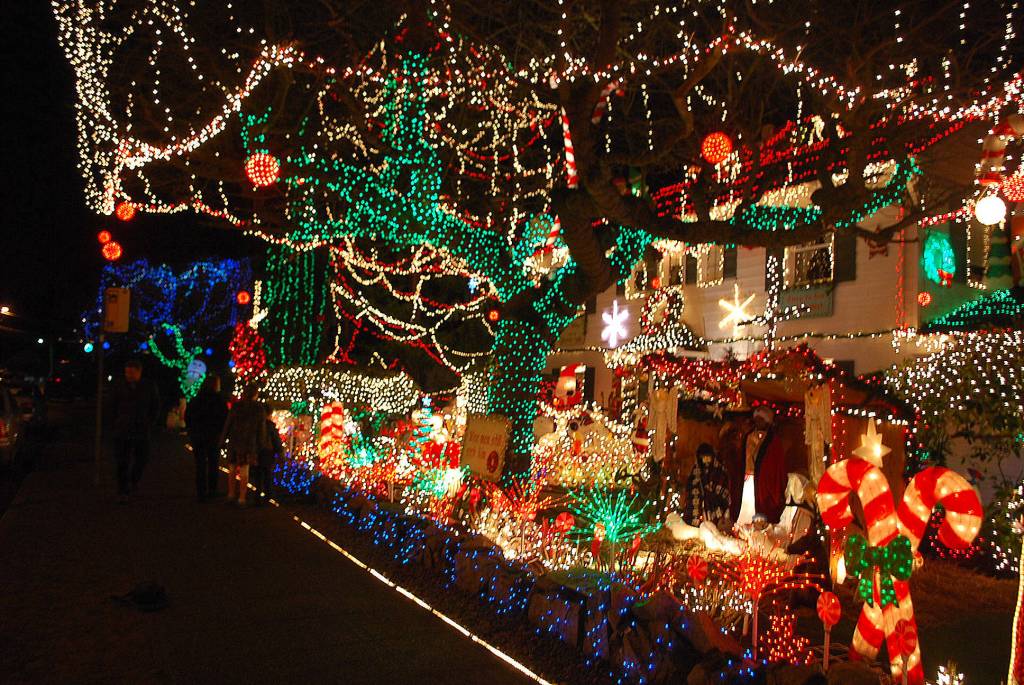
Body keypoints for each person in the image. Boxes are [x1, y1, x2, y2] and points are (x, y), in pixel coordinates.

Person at [109, 359, 160, 503]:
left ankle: (133, 479)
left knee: (142, 458)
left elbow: (155, 406)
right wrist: (115, 422)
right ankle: (123, 488)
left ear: (139, 372)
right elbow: (112, 405)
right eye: (127, 372)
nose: (129, 375)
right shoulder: (119, 386)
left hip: (141, 427)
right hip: (123, 428)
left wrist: (149, 422)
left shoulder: (148, 386)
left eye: (132, 372)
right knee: (122, 461)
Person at [219, 384, 267, 505]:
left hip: (235, 440)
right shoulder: (258, 408)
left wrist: (222, 440)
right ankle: (242, 497)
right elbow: (261, 428)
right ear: (255, 394)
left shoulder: (237, 406)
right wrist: (261, 443)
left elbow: (228, 424)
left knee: (232, 468)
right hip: (249, 443)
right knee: (245, 469)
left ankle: (231, 494)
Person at [185, 374, 228, 501]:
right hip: (213, 436)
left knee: (200, 463)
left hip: (198, 435)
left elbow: (188, 416)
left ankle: (201, 491)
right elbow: (224, 418)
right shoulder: (219, 400)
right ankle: (212, 490)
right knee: (213, 463)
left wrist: (191, 430)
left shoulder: (196, 399)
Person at [682, 442, 731, 528]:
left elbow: (724, 491)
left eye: (708, 457)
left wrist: (711, 494)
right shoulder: (696, 471)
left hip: (715, 508)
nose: (706, 460)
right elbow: (691, 488)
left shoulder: (719, 471)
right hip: (699, 509)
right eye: (704, 458)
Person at [251, 405, 283, 505]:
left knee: (258, 476)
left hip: (258, 453)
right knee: (268, 475)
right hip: (268, 453)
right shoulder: (270, 425)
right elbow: (276, 440)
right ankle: (268, 496)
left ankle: (257, 497)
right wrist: (280, 451)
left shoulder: (255, 424)